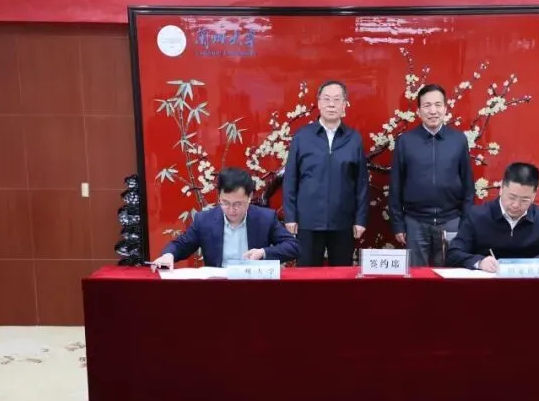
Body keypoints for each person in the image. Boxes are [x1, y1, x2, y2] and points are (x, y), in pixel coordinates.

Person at [283, 80, 369, 266]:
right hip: (308, 221)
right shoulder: (302, 136)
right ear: (319, 103)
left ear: (344, 105)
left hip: (343, 221)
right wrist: (290, 216)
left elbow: (361, 183)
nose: (331, 104)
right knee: (307, 276)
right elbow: (290, 179)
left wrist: (360, 219)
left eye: (337, 100)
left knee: (342, 275)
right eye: (327, 99)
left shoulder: (354, 138)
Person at [389, 84, 474, 266]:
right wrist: (398, 224)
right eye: (427, 106)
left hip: (451, 221)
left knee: (448, 275)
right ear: (419, 111)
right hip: (415, 221)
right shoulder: (405, 141)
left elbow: (468, 184)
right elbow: (396, 186)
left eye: (437, 105)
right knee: (416, 276)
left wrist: (465, 222)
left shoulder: (458, 140)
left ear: (445, 108)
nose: (433, 111)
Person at [151, 167, 299, 269]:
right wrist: (168, 255)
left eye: (238, 204)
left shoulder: (265, 218)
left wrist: (263, 253)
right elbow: (181, 245)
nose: (232, 210)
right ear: (219, 196)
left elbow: (293, 247)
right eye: (225, 203)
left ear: (249, 197)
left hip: (253, 285)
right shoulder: (205, 220)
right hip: (218, 287)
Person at [445, 162, 539, 272]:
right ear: (501, 188)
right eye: (511, 197)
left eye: (525, 200)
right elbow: (453, 254)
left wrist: (534, 264)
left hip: (528, 286)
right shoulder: (477, 215)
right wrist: (479, 262)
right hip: (488, 286)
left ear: (534, 195)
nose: (516, 205)